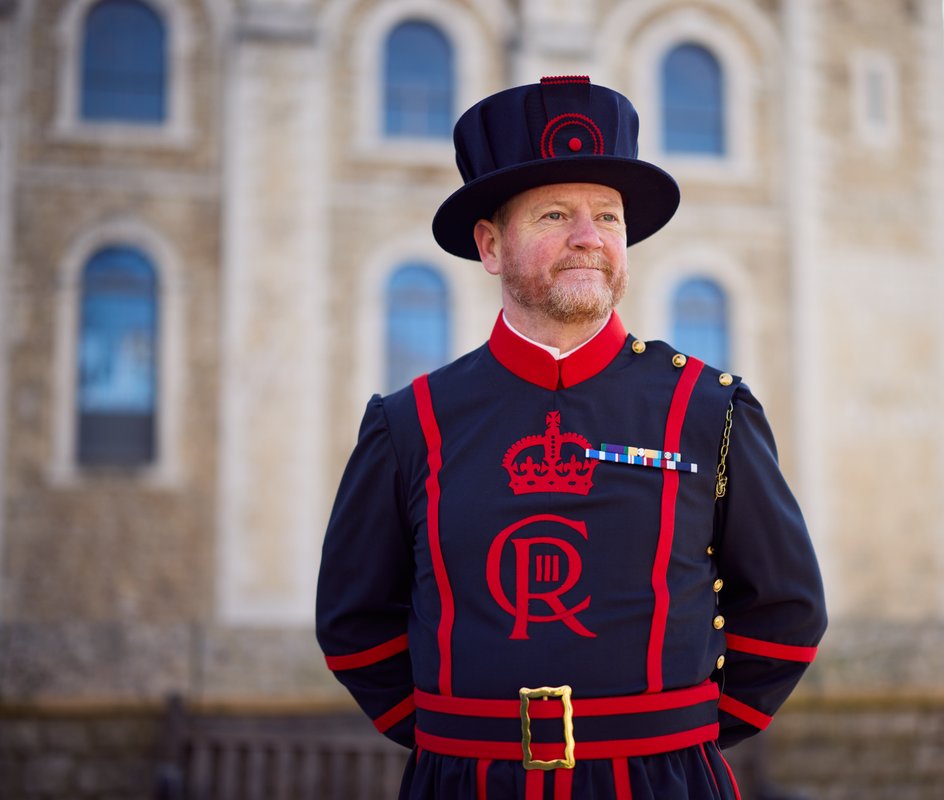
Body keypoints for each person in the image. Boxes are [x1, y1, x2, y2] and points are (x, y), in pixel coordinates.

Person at [316, 76, 826, 800]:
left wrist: (671, 736)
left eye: (608, 218)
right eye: (556, 214)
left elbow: (787, 607)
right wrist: (462, 740)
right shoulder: (411, 423)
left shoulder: (708, 411)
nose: (589, 239)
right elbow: (353, 622)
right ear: (491, 245)